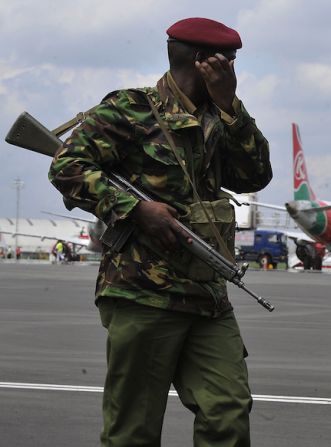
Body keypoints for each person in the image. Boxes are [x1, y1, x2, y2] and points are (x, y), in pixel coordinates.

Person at [48, 17, 271, 446]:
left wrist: (232, 107)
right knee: (133, 428)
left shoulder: (220, 119)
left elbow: (255, 175)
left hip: (207, 296)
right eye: (228, 62)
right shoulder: (130, 108)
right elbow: (67, 166)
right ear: (203, 61)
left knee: (227, 412)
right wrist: (135, 209)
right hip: (143, 293)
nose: (233, 70)